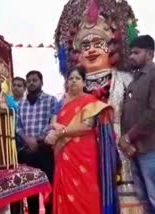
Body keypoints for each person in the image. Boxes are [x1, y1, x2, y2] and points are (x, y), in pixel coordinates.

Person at [54, 1, 142, 212]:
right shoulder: (70, 93)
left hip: (121, 146)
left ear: (113, 47)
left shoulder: (125, 79)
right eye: (85, 45)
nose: (91, 49)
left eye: (99, 43)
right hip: (83, 150)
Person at [46, 67, 119, 214]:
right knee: (65, 191)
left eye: (77, 78)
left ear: (84, 83)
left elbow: (87, 127)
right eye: (70, 78)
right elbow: (52, 123)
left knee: (85, 189)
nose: (73, 81)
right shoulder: (61, 104)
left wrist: (61, 132)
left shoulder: (90, 101)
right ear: (66, 83)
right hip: (64, 153)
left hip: (83, 153)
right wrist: (55, 130)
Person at [120, 35, 155, 213]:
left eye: (136, 52)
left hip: (151, 149)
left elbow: (153, 113)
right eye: (131, 52)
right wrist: (126, 142)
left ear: (149, 53)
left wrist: (127, 136)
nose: (131, 56)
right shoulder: (136, 79)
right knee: (145, 200)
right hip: (135, 149)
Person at [16, 70, 57, 214]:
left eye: (35, 80)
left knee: (50, 187)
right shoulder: (21, 104)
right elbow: (18, 126)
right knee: (30, 190)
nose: (31, 83)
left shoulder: (51, 100)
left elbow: (52, 122)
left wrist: (37, 139)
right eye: (29, 81)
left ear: (41, 82)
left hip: (44, 150)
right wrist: (27, 140)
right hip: (27, 151)